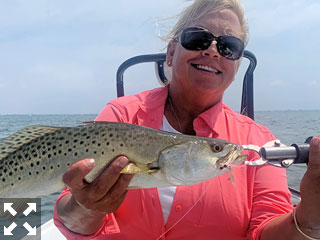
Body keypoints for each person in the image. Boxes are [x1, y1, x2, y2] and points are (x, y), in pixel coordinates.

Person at [54, 0, 320, 239]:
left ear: (236, 66)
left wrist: (309, 219)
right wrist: (85, 206)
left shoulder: (259, 143)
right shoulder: (121, 115)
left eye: (229, 47)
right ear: (171, 53)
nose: (214, 51)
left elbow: (266, 231)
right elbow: (70, 219)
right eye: (197, 38)